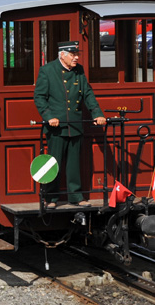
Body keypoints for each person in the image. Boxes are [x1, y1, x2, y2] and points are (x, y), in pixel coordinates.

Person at [34, 40, 107, 207]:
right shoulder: (47, 70)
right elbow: (39, 97)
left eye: (77, 54)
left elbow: (87, 94)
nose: (76, 58)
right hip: (56, 127)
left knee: (74, 163)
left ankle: (76, 197)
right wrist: (48, 116)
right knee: (54, 162)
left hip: (74, 124)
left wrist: (97, 114)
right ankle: (50, 198)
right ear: (62, 55)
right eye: (73, 55)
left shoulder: (79, 71)